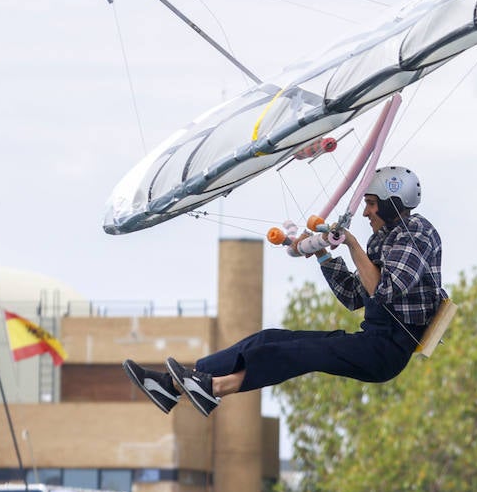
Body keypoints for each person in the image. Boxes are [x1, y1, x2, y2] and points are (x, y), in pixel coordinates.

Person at [126, 167, 445, 416]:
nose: (365, 213)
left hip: (386, 352)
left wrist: (351, 244)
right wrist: (321, 252)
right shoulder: (384, 239)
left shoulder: (416, 233)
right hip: (371, 340)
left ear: (392, 205)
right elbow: (352, 295)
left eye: (371, 205)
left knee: (293, 354)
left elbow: (383, 290)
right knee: (268, 339)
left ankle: (214, 389)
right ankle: (171, 385)